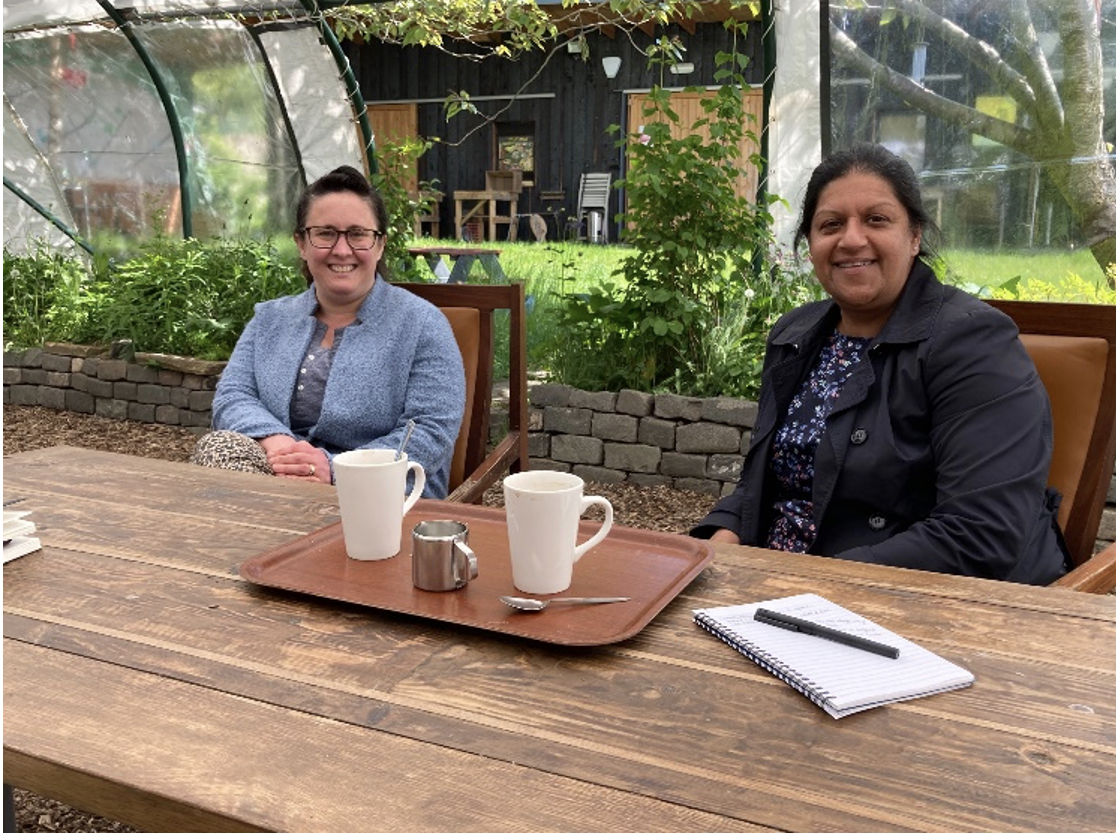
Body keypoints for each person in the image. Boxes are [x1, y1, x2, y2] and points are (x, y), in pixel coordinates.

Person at [692, 144, 1068, 585]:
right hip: (778, 580)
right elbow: (766, 485)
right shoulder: (795, 334)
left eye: (876, 219)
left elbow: (981, 533)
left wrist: (804, 582)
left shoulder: (973, 343)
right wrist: (715, 547)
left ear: (914, 236)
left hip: (912, 597)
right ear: (810, 244)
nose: (851, 239)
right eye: (830, 224)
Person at [192, 165, 465, 498]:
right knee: (218, 447)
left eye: (357, 234)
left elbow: (429, 432)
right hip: (275, 474)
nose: (341, 249)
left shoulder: (423, 325)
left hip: (381, 494)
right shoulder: (269, 319)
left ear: (379, 245)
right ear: (302, 243)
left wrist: (332, 468)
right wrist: (281, 446)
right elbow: (233, 397)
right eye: (325, 233)